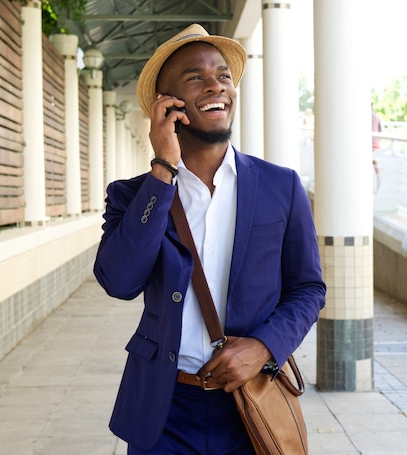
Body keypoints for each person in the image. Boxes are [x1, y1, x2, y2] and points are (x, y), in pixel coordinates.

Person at [93, 23, 326, 454]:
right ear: (167, 103)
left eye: (222, 75)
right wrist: (162, 171)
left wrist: (262, 347)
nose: (215, 85)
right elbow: (119, 281)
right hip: (164, 410)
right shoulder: (133, 195)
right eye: (195, 76)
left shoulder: (281, 186)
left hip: (251, 403)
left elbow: (308, 289)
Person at [371, 104, 383, 193]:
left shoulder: (361, 116)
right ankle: (379, 180)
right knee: (375, 163)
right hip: (376, 144)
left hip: (367, 145)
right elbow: (381, 130)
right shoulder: (377, 117)